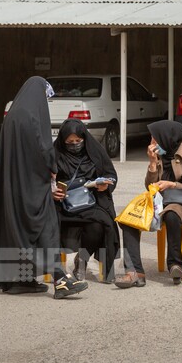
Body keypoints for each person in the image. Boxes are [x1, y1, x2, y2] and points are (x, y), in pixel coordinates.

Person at [0, 77, 87, 299]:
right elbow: (43, 149)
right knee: (46, 229)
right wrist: (52, 168)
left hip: (13, 184)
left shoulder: (14, 114)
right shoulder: (33, 116)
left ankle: (19, 281)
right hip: (33, 187)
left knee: (17, 229)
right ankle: (61, 280)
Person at [115, 120, 182, 288]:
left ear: (167, 138)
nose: (152, 143)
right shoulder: (160, 155)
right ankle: (135, 272)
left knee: (171, 214)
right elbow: (149, 185)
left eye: (155, 139)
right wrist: (152, 163)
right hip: (159, 203)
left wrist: (172, 185)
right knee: (128, 220)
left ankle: (175, 265)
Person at [52, 119, 120, 283]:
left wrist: (105, 186)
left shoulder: (96, 152)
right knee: (49, 222)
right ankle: (54, 269)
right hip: (62, 206)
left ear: (85, 139)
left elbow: (111, 175)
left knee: (101, 224)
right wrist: (52, 191)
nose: (74, 145)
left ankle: (81, 260)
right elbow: (40, 180)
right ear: (63, 141)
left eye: (78, 141)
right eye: (70, 142)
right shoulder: (55, 154)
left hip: (91, 202)